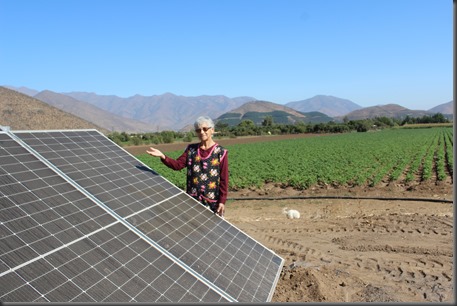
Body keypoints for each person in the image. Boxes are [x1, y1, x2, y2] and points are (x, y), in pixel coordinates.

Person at [147, 116, 228, 217]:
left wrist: (222, 201)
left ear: (212, 130)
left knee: (211, 230)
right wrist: (163, 156)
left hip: (211, 201)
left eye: (205, 129)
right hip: (193, 200)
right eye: (198, 130)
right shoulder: (191, 150)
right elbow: (178, 165)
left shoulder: (220, 152)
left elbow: (224, 179)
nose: (202, 132)